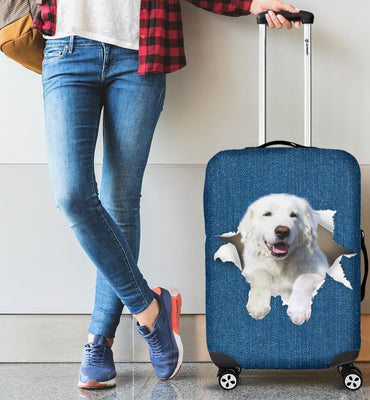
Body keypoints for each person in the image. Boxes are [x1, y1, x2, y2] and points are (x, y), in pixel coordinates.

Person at [32, 0, 299, 390]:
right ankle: (149, 307)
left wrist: (249, 3)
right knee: (72, 195)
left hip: (140, 51)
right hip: (66, 48)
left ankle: (99, 342)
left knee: (120, 201)